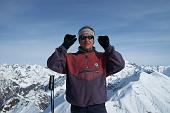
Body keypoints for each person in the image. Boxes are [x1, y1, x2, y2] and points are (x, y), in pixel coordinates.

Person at [47, 25, 125, 113]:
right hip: (77, 108)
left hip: (98, 107)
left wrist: (108, 48)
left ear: (93, 40)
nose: (86, 40)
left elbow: (120, 64)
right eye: (83, 37)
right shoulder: (70, 58)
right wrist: (64, 47)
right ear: (79, 41)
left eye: (90, 37)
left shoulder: (102, 58)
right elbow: (52, 64)